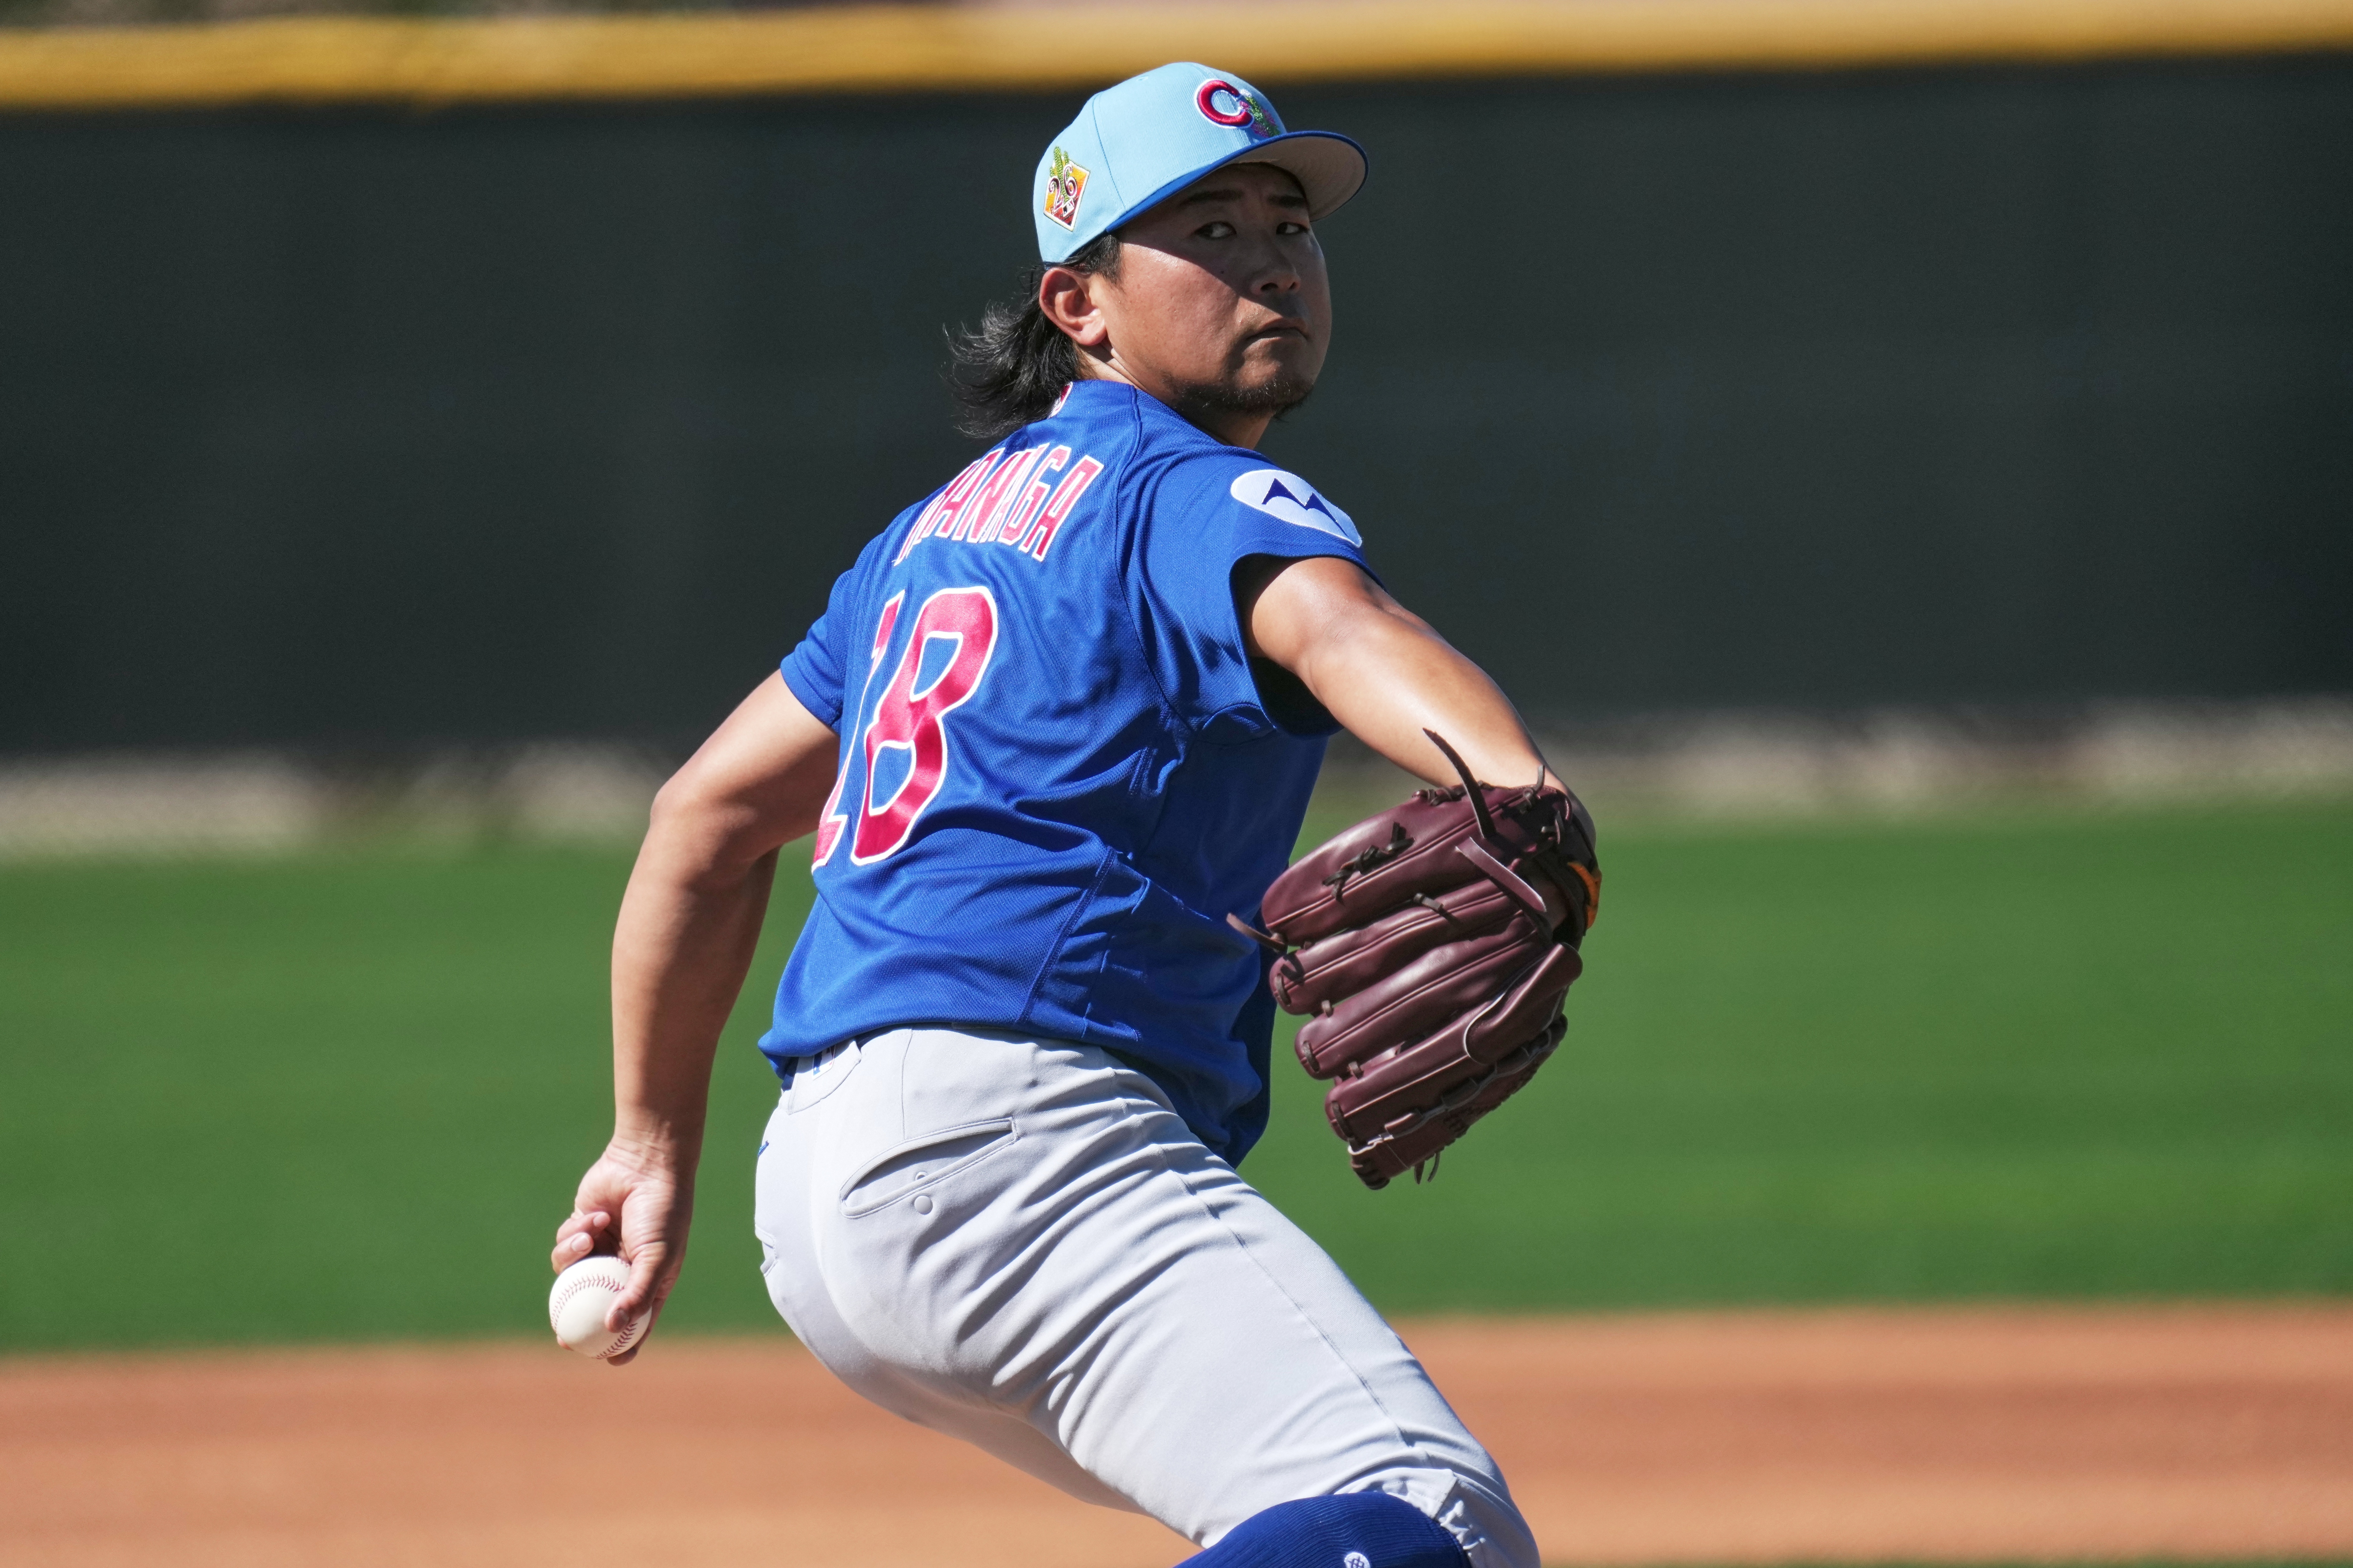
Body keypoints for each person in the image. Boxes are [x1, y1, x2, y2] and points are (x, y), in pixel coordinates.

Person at [551, 63, 1573, 1568]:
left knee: (1299, 1519)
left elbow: (705, 817)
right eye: (1207, 231)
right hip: (1020, 1142)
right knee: (1422, 1518)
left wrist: (648, 1144)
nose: (1272, 255)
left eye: (1287, 221)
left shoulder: (923, 539)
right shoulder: (1188, 486)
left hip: (827, 1199)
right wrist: (1523, 794)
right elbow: (1340, 629)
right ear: (1078, 308)